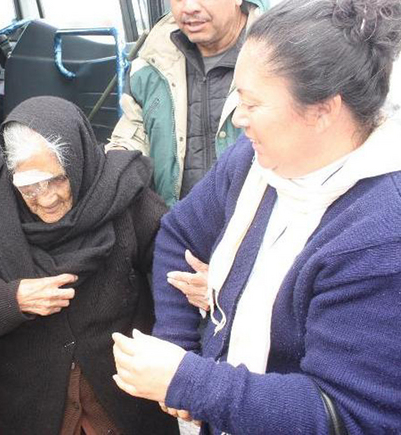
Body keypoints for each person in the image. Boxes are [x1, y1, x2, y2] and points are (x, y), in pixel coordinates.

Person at [112, 0, 401, 433]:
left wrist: (187, 381)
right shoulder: (252, 163)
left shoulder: (379, 236)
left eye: (252, 102)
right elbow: (178, 233)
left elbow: (344, 414)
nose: (238, 117)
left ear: (323, 110)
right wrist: (178, 343)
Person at [0, 96, 177, 435]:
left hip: (127, 405)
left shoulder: (123, 194)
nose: (47, 197)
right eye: (29, 187)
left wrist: (169, 346)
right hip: (29, 410)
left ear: (79, 162)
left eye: (57, 180)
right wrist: (12, 300)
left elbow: (172, 269)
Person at [107, 0, 268, 207]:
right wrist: (113, 171)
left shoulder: (281, 58)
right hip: (171, 221)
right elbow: (132, 138)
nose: (190, 7)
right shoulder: (150, 66)